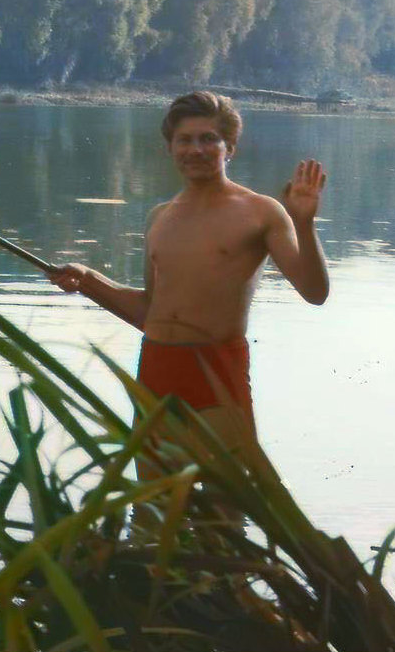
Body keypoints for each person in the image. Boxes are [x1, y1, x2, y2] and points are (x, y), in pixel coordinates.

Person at [46, 90, 329, 463]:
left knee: (224, 507)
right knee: (152, 508)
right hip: (157, 372)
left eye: (208, 139)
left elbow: (314, 292)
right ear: (169, 148)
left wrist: (304, 224)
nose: (195, 149)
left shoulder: (262, 212)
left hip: (218, 372)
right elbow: (150, 312)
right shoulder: (160, 218)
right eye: (185, 140)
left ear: (230, 148)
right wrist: (89, 281)